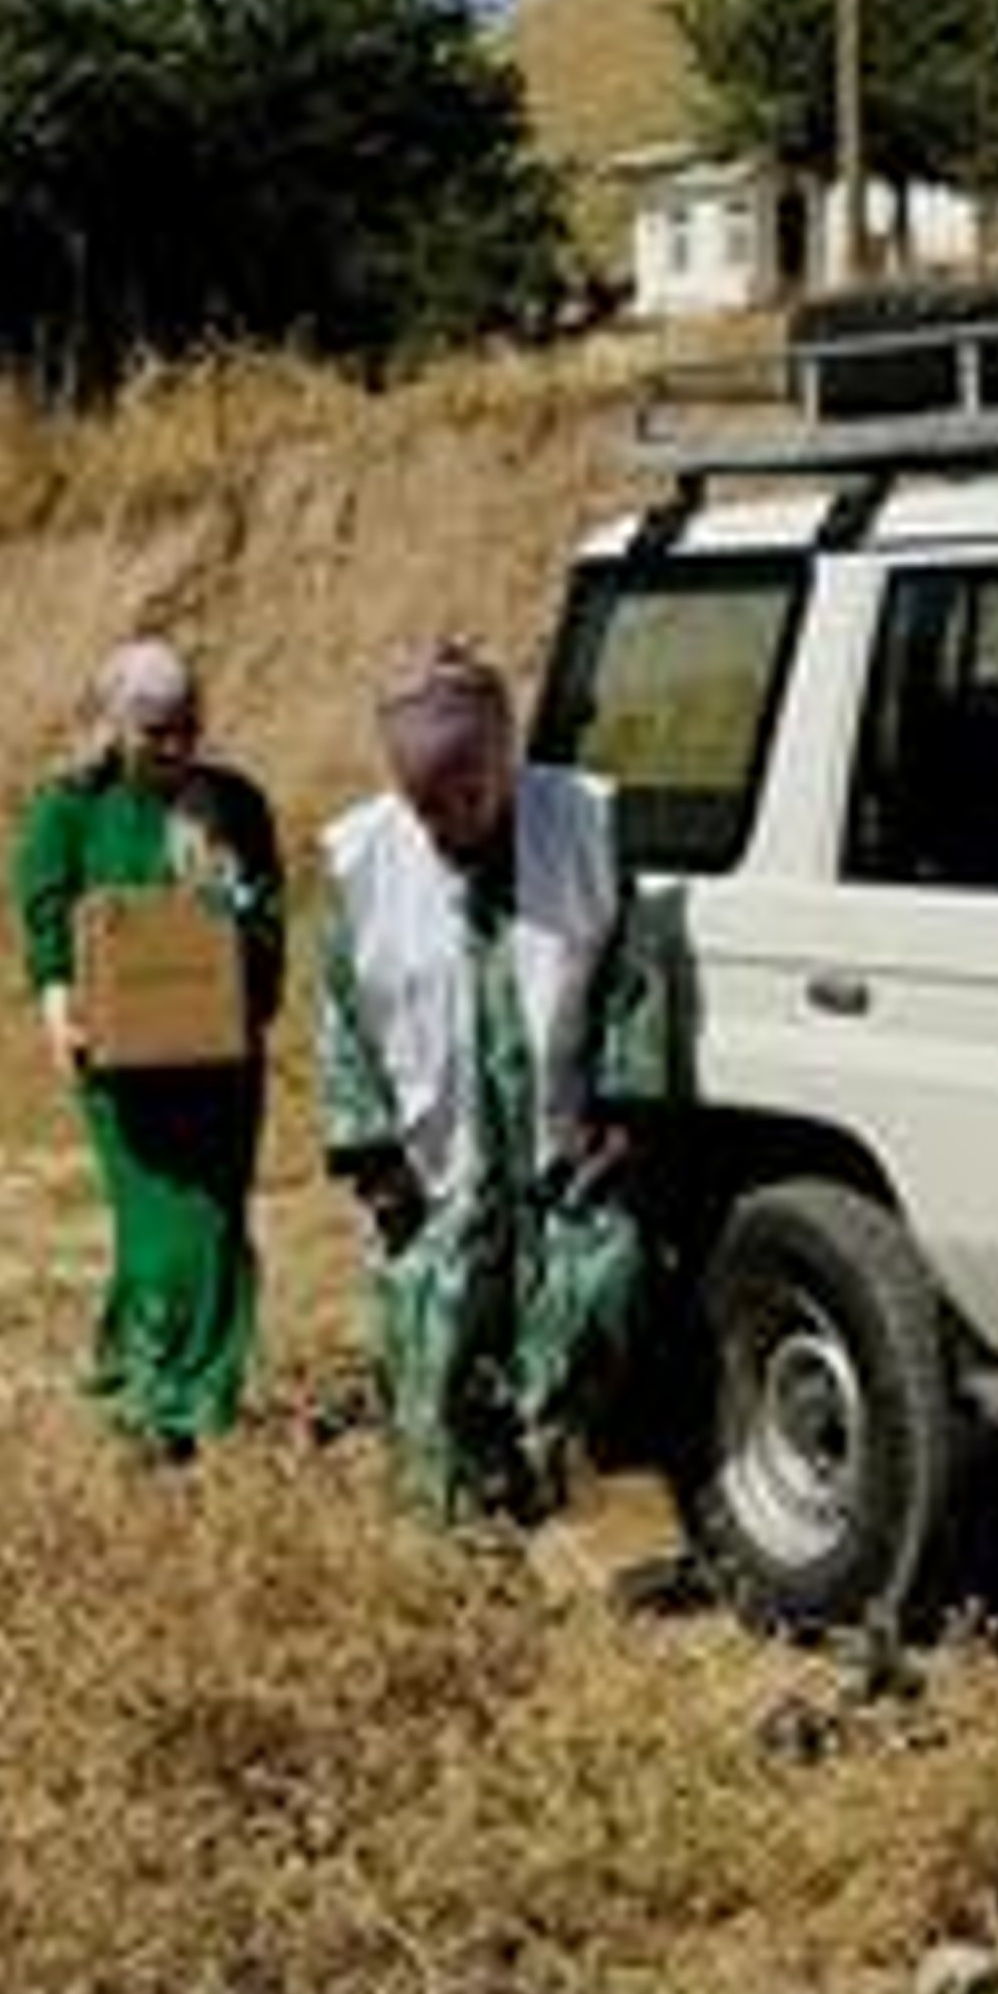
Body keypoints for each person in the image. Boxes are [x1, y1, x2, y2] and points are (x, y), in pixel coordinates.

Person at [314, 641, 667, 1523]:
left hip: (566, 1144)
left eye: (464, 797)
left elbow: (637, 972)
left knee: (592, 1297)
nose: (444, 823)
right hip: (436, 1155)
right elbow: (341, 1011)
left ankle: (566, 1485)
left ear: (506, 755)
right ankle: (451, 1520)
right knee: (435, 1321)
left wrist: (626, 1105)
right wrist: (369, 1149)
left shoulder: (585, 821)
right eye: (424, 806)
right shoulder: (363, 860)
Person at [9, 634, 284, 1455]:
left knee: (216, 1218)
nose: (174, 746)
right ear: (115, 725)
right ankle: (148, 1387)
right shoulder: (69, 807)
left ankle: (204, 1399)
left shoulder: (234, 802)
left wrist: (234, 941)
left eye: (186, 726)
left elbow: (269, 910)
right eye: (155, 730)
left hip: (220, 1063)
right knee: (158, 1227)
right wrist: (60, 1004)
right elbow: (47, 914)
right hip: (122, 1067)